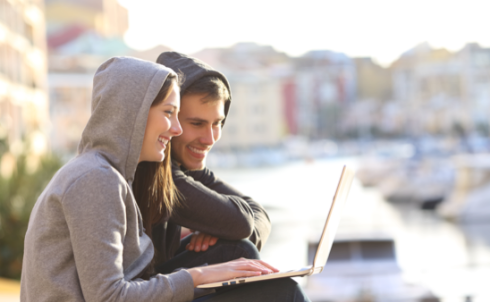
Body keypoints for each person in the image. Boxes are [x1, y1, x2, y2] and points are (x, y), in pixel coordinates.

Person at [20, 57, 308, 302]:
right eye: (170, 113)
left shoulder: (104, 173)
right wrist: (197, 276)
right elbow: (109, 297)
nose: (175, 129)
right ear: (134, 115)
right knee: (281, 291)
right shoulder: (95, 180)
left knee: (241, 255)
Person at [152, 52, 271, 270]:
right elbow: (242, 223)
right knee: (240, 251)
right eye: (196, 123)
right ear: (169, 119)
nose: (210, 138)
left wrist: (220, 229)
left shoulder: (184, 165)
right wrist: (226, 226)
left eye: (217, 123)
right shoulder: (154, 175)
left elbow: (259, 215)